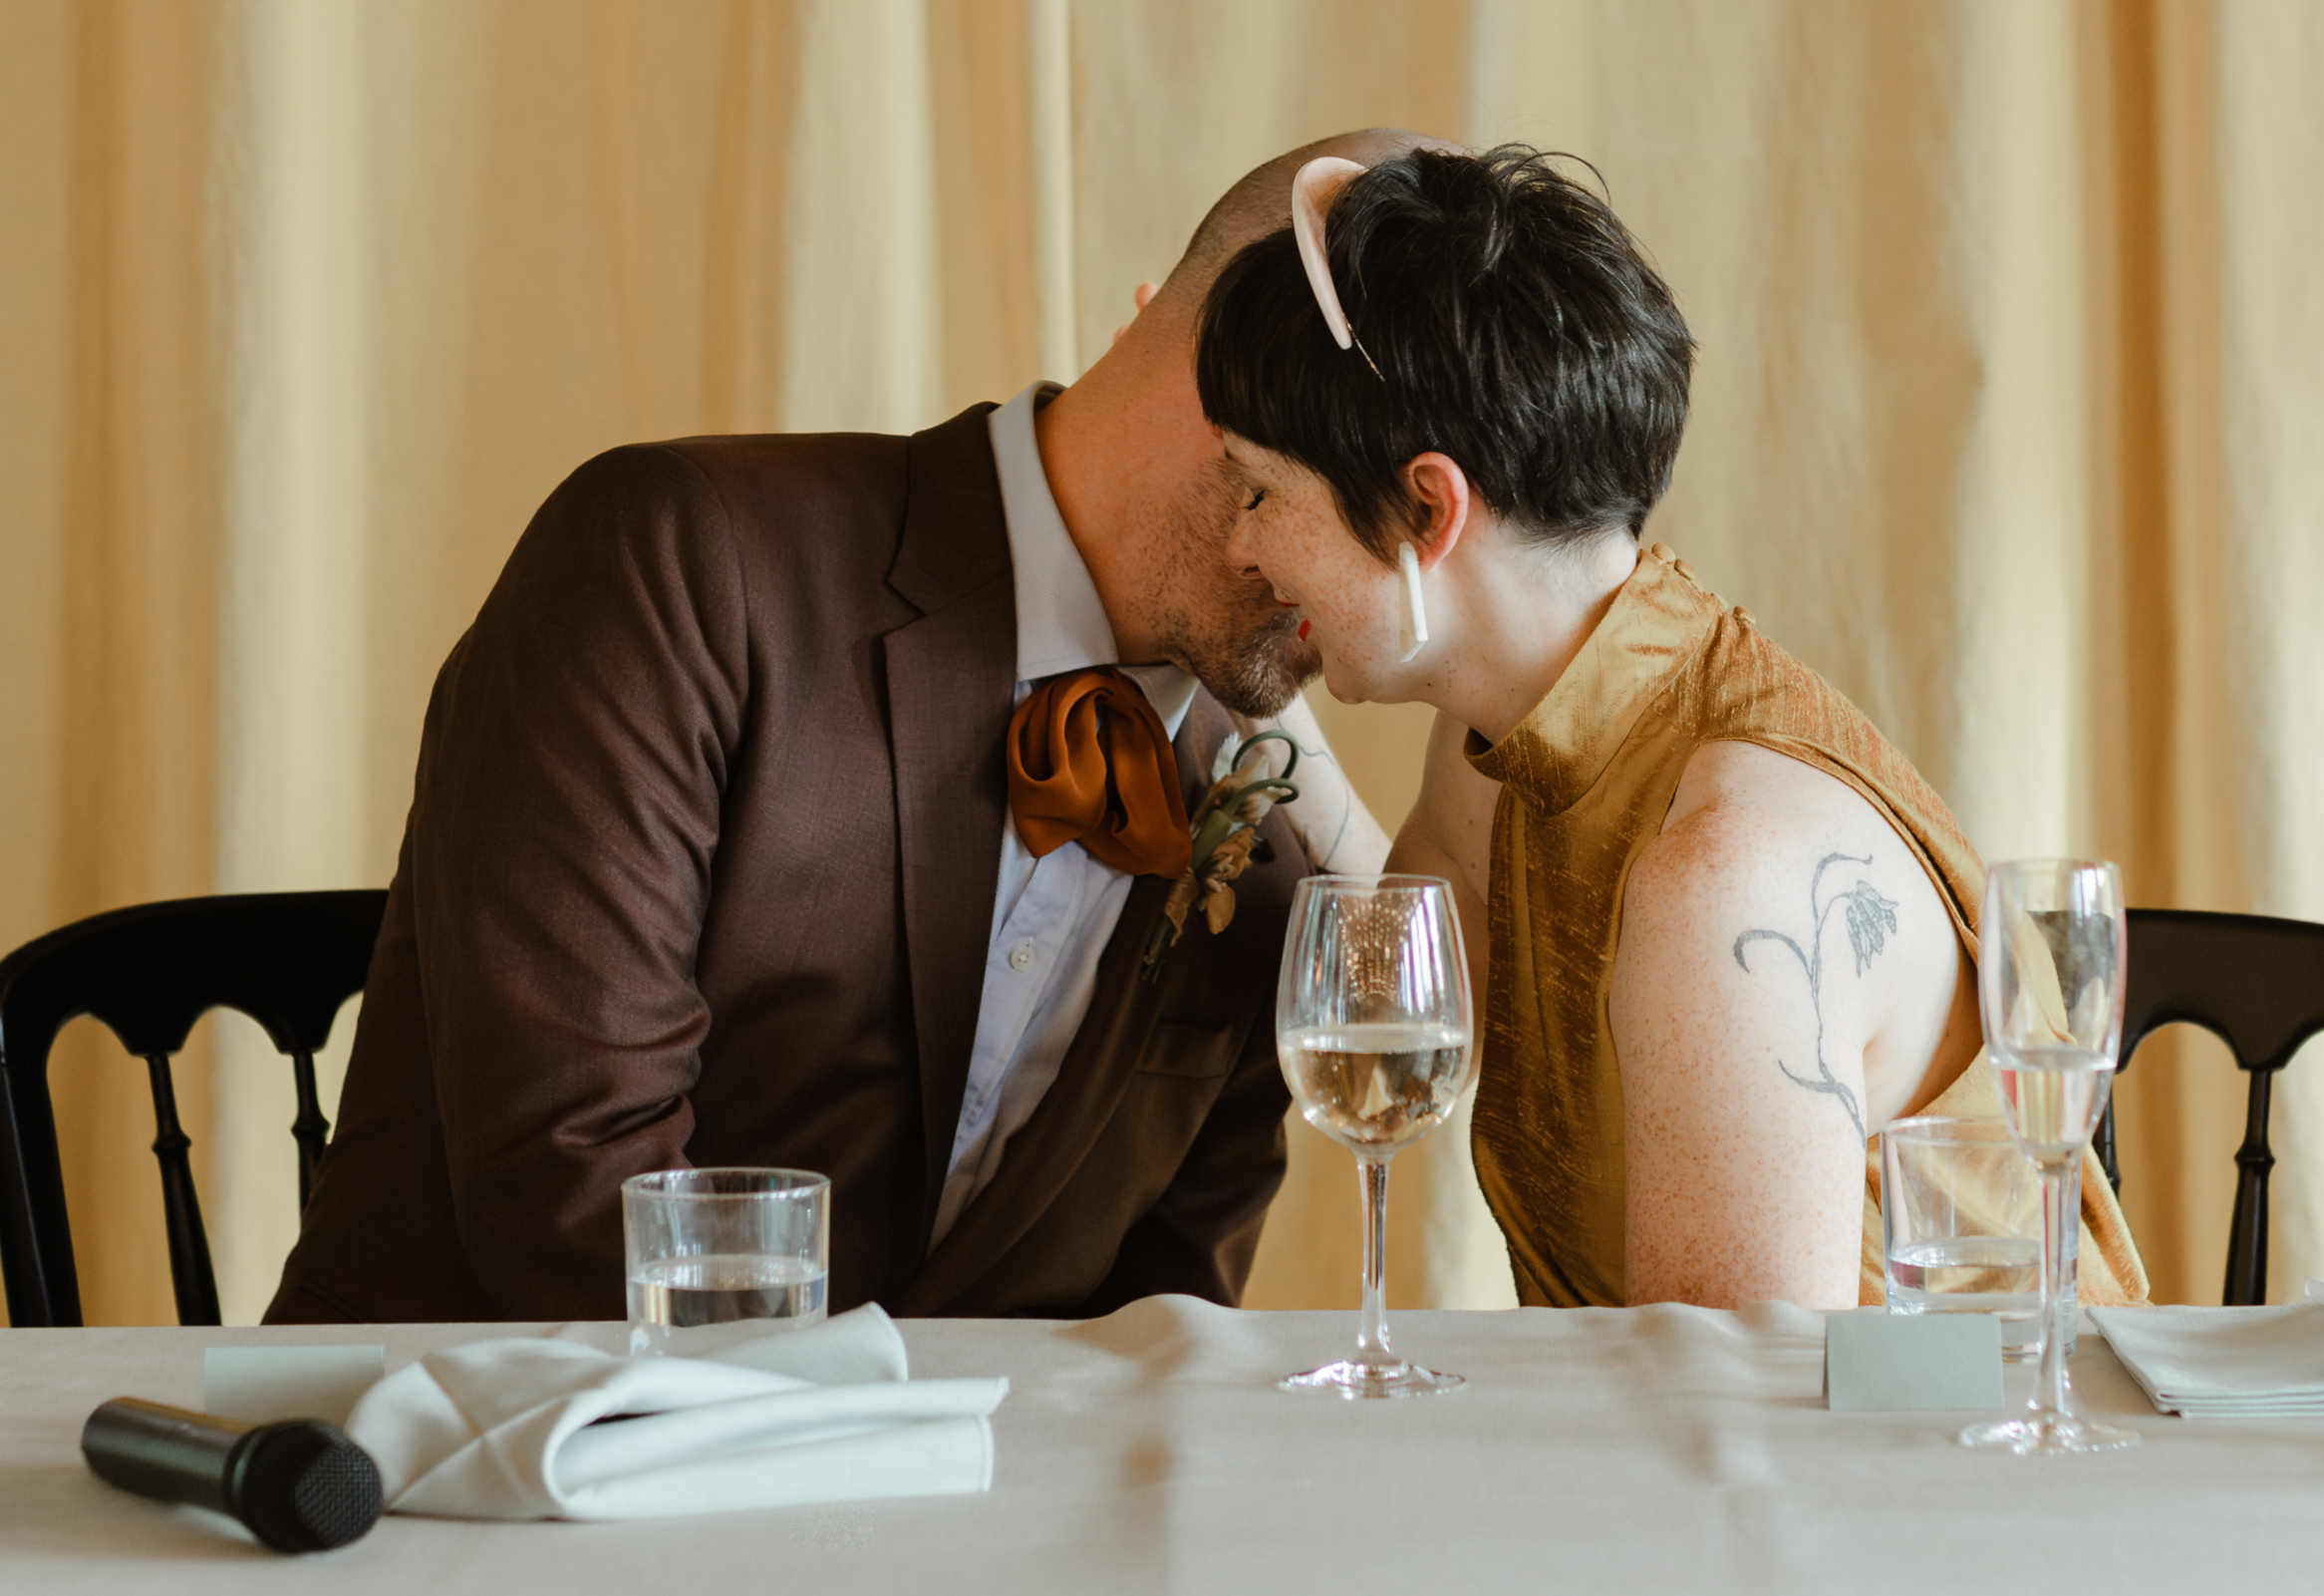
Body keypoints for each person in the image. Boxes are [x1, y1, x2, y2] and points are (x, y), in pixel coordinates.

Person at [263, 132, 1430, 1326]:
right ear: (1236, 376)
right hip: (462, 1481)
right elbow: (573, 1205)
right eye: (1385, 496)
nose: (1399, 592)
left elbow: (1164, 1325)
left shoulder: (1270, 839)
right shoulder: (677, 565)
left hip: (961, 1506)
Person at [1197, 145, 2149, 1311]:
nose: (1239, 545)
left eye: (1258, 491)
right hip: (1654, 1446)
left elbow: (1737, 1432)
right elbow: (1393, 987)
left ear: (1430, 508)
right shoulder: (1499, 731)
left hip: (1923, 1479)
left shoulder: (1723, 877)